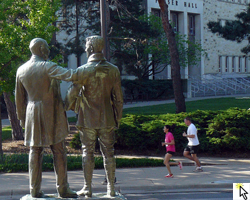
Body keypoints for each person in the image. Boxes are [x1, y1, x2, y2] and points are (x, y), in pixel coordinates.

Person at [15, 38, 94, 198]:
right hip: (51, 113)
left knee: (35, 151)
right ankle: (63, 189)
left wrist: (22, 118)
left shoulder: (21, 70)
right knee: (58, 150)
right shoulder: (47, 66)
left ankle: (34, 190)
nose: (48, 50)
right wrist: (90, 69)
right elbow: (71, 75)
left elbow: (19, 99)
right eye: (46, 47)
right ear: (41, 48)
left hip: (32, 113)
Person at [65, 35, 123, 197]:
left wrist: (68, 107)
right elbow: (118, 99)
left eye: (86, 46)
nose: (85, 48)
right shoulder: (113, 70)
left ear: (90, 48)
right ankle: (110, 188)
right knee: (109, 153)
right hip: (107, 118)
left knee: (87, 152)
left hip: (87, 118)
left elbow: (72, 94)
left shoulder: (83, 70)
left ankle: (87, 187)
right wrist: (117, 118)